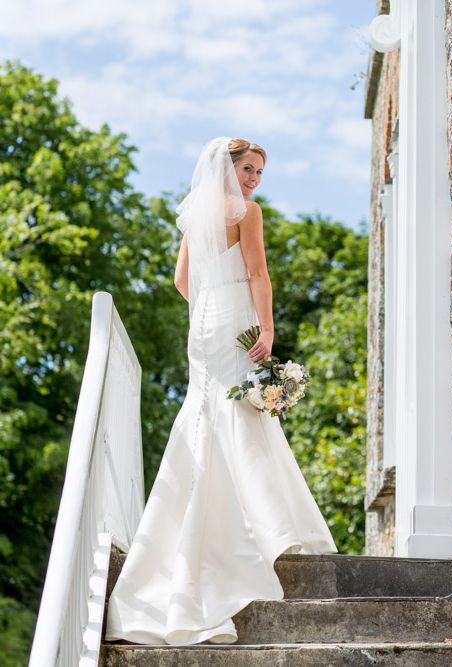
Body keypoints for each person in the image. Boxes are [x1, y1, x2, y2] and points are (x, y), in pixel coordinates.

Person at [104, 136, 338, 646]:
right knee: (240, 412)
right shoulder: (246, 213)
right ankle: (260, 527)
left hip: (203, 321)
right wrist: (266, 329)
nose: (253, 180)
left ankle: (195, 522)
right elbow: (258, 272)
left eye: (259, 173)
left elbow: (181, 279)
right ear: (228, 169)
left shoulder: (195, 215)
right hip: (235, 315)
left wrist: (210, 301)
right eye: (248, 169)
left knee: (208, 410)